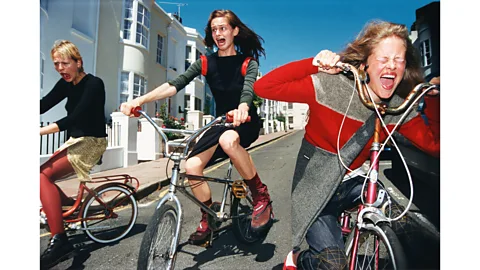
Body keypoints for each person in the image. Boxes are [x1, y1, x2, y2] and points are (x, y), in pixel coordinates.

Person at [253, 20, 440, 270]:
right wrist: (313, 64)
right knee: (332, 264)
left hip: (354, 183)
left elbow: (436, 146)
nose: (392, 66)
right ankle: (299, 258)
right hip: (316, 188)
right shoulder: (331, 85)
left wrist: (434, 101)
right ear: (365, 64)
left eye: (399, 60)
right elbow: (263, 87)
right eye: (384, 58)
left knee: (407, 226)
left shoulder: (397, 107)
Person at [120, 9, 273, 245]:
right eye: (214, 30)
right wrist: (139, 101)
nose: (218, 33)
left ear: (234, 31)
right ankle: (208, 217)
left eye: (223, 28)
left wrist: (243, 107)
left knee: (228, 140)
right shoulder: (205, 62)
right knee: (191, 165)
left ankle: (261, 194)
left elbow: (248, 88)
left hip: (245, 121)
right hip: (221, 122)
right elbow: (175, 85)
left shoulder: (247, 63)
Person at [40, 40, 107, 269]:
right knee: (43, 178)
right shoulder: (65, 84)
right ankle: (70, 208)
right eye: (56, 64)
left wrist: (38, 131)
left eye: (65, 63)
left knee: (41, 176)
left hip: (91, 142)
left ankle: (60, 241)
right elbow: (43, 105)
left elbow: (74, 118)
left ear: (78, 62)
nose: (60, 68)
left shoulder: (94, 84)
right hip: (76, 140)